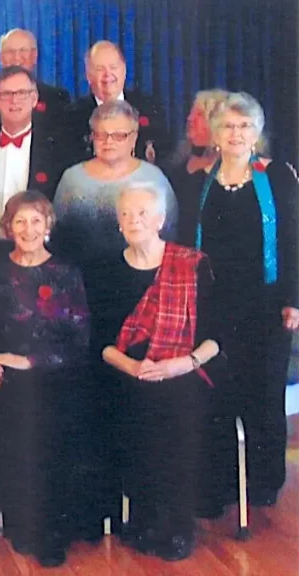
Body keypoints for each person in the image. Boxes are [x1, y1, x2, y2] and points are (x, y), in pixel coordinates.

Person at [177, 92, 299, 509]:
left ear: (257, 133)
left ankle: (263, 485)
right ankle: (221, 484)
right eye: (228, 125)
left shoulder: (277, 176)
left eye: (245, 126)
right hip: (212, 304)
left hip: (267, 305)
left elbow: (294, 240)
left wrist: (293, 300)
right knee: (216, 394)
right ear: (214, 132)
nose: (236, 133)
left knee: (263, 394)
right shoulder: (199, 181)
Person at [97, 185, 221, 561]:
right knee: (131, 414)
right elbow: (101, 344)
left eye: (143, 214)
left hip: (184, 372)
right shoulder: (108, 270)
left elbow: (217, 337)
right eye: (126, 215)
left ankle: (176, 525)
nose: (134, 221)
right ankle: (144, 519)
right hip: (128, 374)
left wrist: (183, 364)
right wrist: (134, 367)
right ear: (118, 223)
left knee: (175, 413)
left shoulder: (192, 263)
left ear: (161, 220)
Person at [0, 191, 90, 567]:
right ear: (8, 227)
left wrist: (24, 360)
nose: (28, 229)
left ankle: (51, 528)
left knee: (50, 424)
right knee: (16, 422)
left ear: (48, 226)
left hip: (59, 373)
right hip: (8, 377)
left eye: (36, 221)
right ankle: (23, 521)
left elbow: (79, 340)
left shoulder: (66, 272)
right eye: (20, 222)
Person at [52, 100, 176, 273]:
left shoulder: (154, 178)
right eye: (101, 134)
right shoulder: (72, 179)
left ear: (133, 138)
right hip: (81, 276)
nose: (108, 142)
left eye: (119, 135)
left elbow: (169, 232)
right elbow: (58, 234)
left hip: (143, 275)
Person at [0, 66, 68, 244]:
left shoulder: (56, 149)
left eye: (22, 93)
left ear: (34, 99)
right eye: (6, 94)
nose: (14, 100)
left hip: (38, 252)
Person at [66, 41, 171, 165]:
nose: (108, 75)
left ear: (124, 70)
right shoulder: (72, 116)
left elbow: (164, 156)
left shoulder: (149, 107)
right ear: (88, 75)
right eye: (100, 69)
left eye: (113, 67)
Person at [0, 29, 69, 129]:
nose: (16, 58)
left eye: (23, 50)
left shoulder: (56, 98)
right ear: (0, 57)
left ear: (34, 56)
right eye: (10, 51)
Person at [165, 90, 230, 225]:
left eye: (199, 115)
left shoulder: (231, 170)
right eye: (191, 113)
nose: (190, 118)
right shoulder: (175, 166)